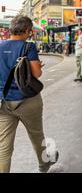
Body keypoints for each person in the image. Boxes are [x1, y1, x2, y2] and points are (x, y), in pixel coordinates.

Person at [0, 16, 59, 173]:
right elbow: (36, 74)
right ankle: (44, 165)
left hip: (3, 102)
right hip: (27, 101)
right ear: (27, 30)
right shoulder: (28, 47)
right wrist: (37, 66)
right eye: (30, 32)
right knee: (36, 135)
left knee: (4, 147)